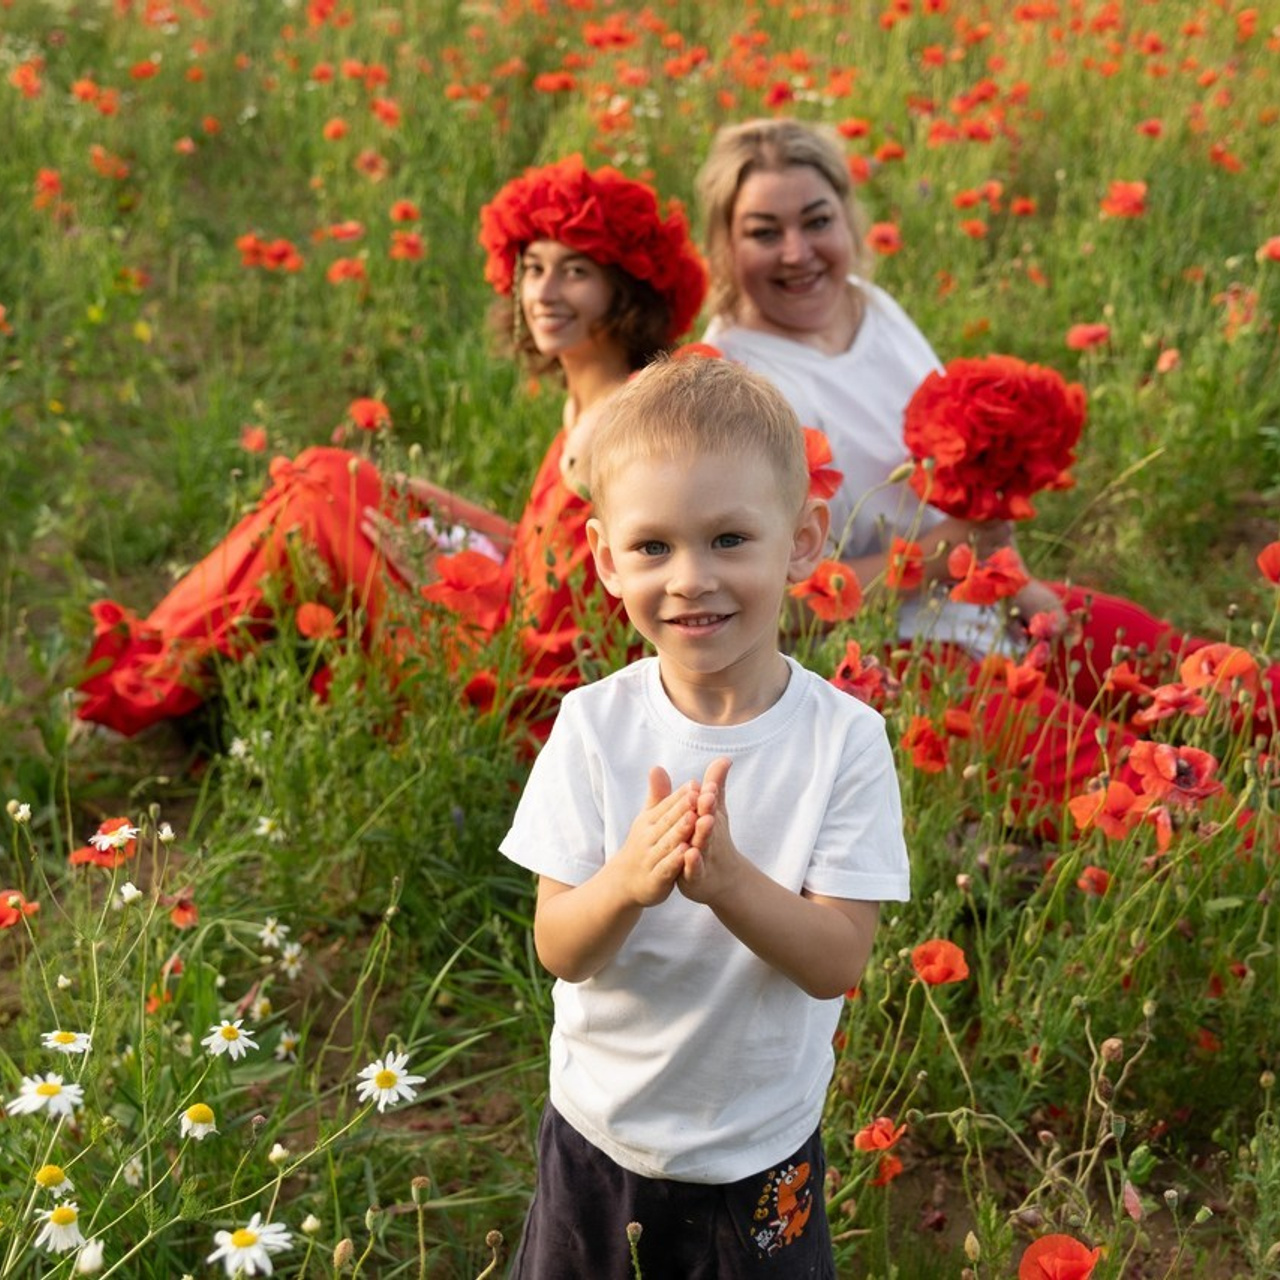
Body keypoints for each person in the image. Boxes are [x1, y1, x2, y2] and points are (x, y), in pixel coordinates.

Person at [695, 116, 1277, 829]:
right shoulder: (729, 384)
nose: (797, 253)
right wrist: (929, 561)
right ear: (723, 242)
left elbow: (958, 494)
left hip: (982, 601)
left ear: (848, 216)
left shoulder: (868, 306)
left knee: (1209, 675)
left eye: (817, 221)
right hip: (886, 661)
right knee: (1145, 794)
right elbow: (751, 611)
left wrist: (1015, 583)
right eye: (762, 231)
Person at [500, 357, 910, 1278]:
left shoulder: (843, 742)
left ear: (802, 543)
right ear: (606, 558)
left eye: (729, 539)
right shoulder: (594, 726)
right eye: (654, 548)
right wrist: (627, 884)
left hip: (756, 1152)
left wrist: (726, 883)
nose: (691, 579)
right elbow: (561, 946)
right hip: (600, 1134)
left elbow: (835, 961)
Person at [76, 156, 707, 738]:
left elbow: (566, 623)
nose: (543, 293)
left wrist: (438, 579)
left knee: (316, 492)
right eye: (534, 268)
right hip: (514, 619)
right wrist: (433, 503)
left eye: (575, 272)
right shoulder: (594, 400)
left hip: (510, 674)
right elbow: (551, 550)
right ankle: (168, 670)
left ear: (625, 291)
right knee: (333, 478)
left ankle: (138, 685)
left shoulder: (620, 420)